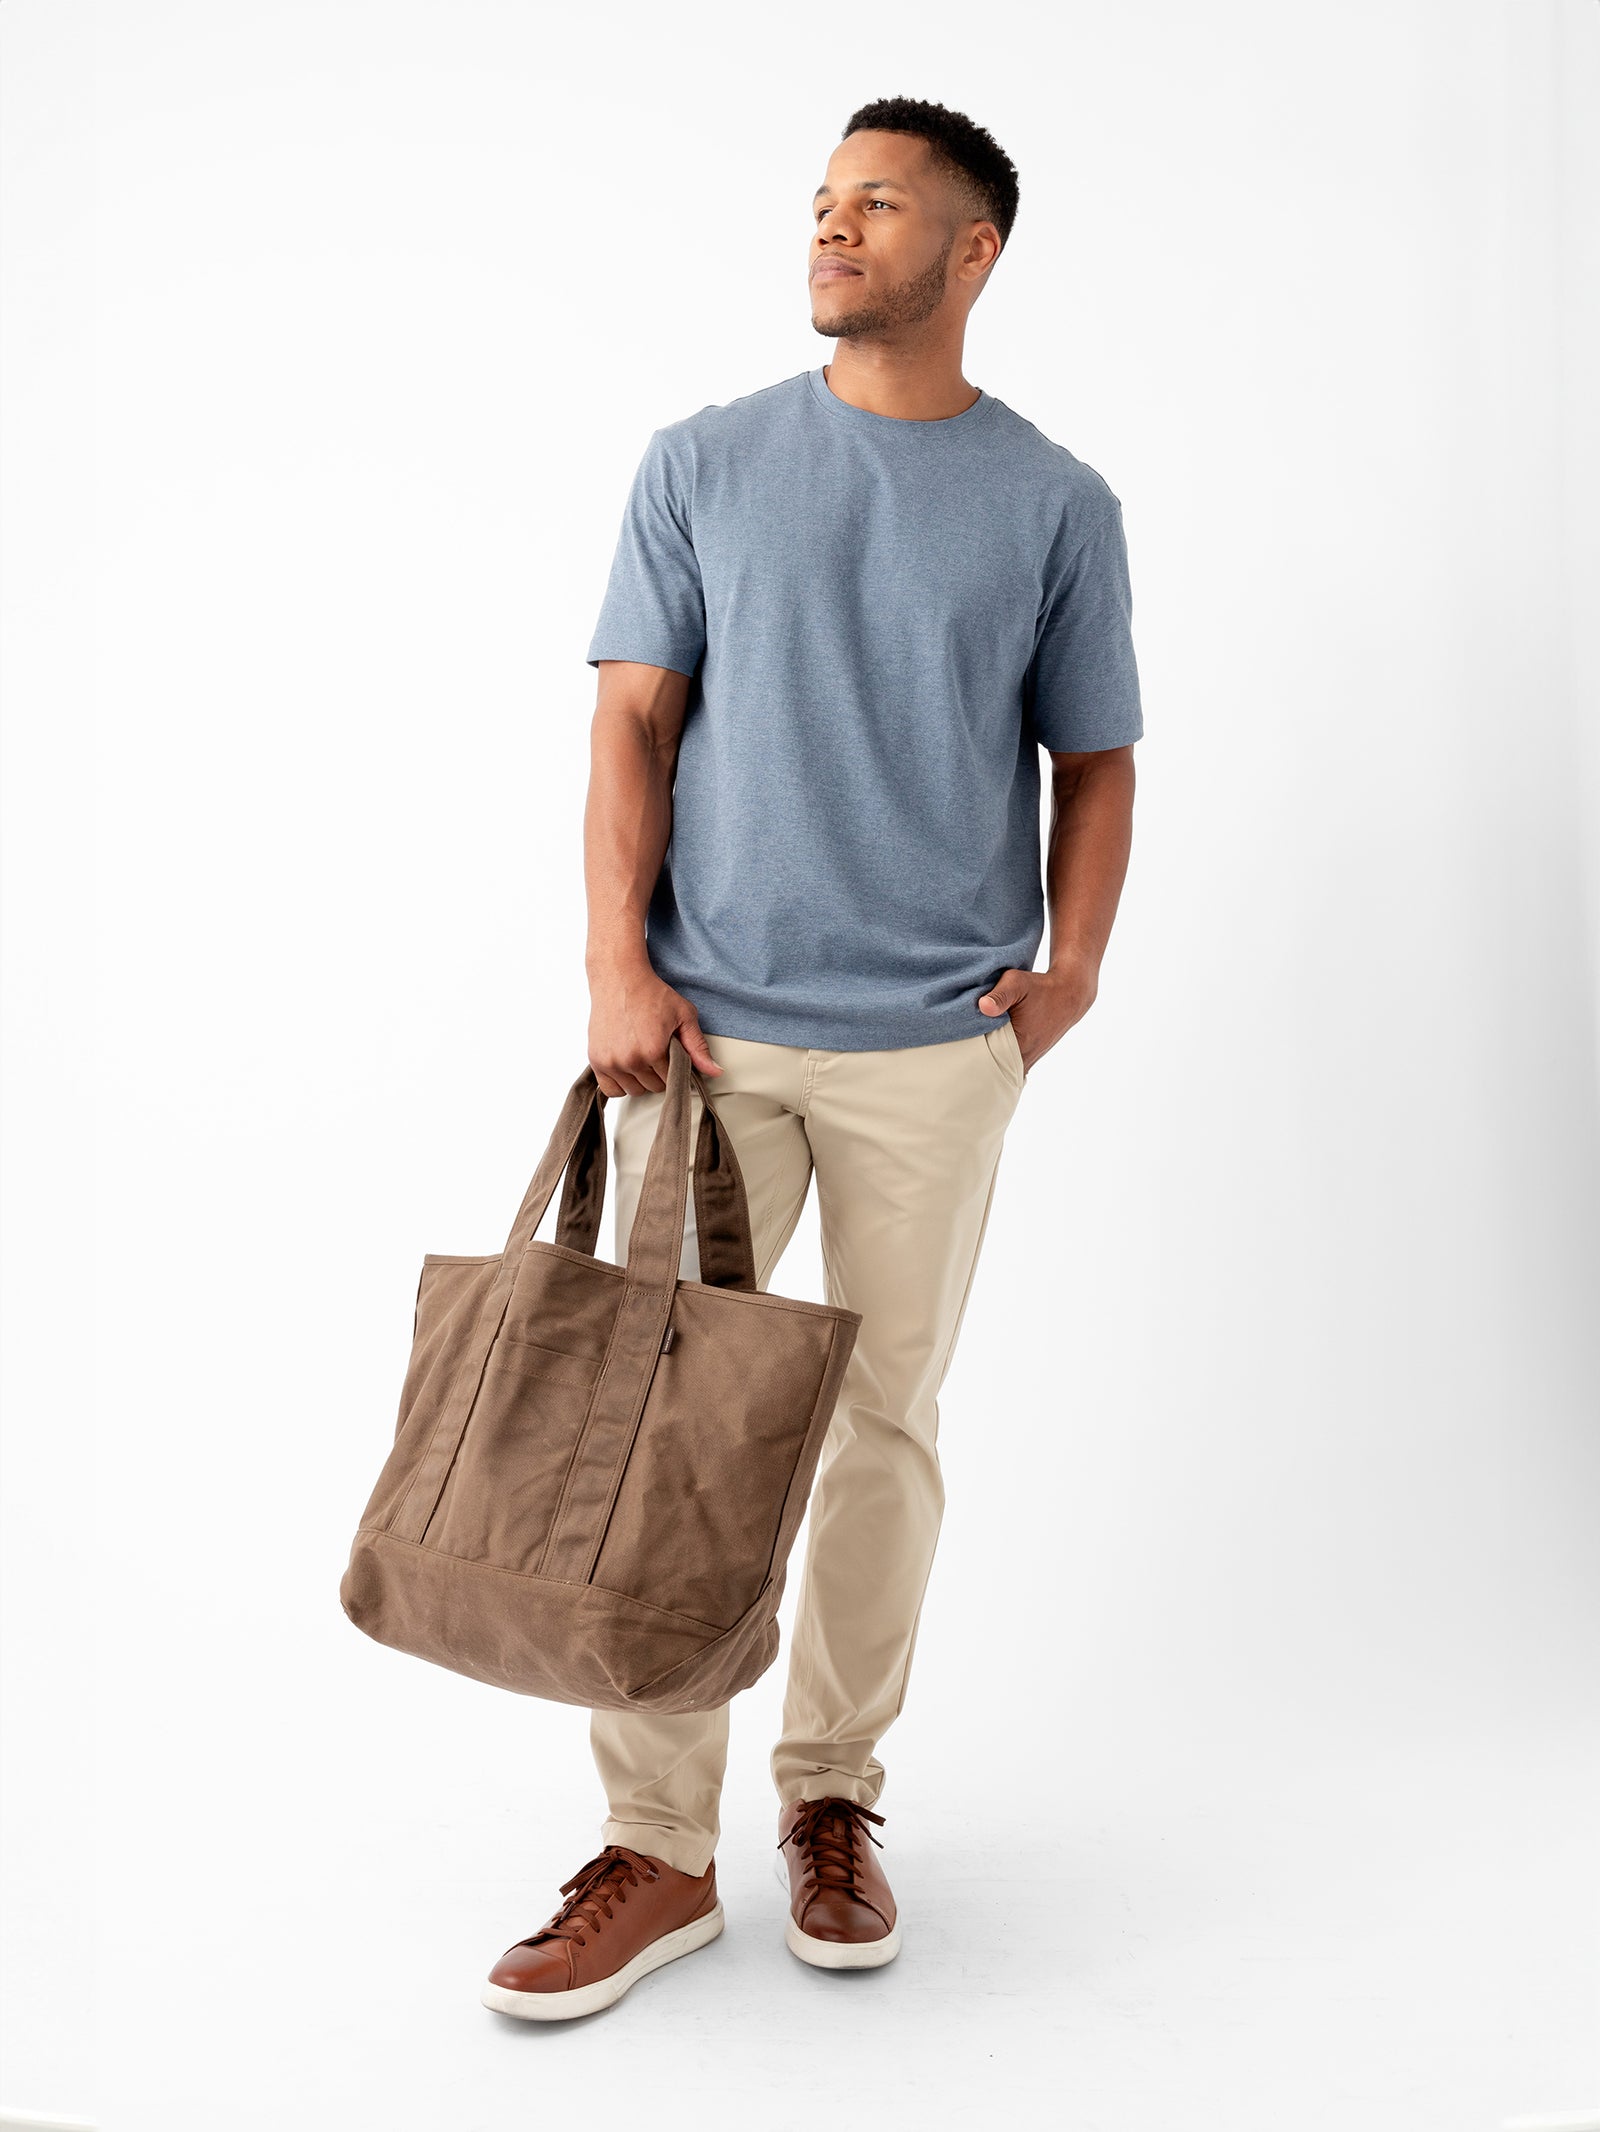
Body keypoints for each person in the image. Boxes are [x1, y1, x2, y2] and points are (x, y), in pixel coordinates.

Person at [481, 94, 1143, 2022]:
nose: (838, 230)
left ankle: (832, 1800)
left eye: (883, 207)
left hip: (939, 1051)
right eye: (825, 202)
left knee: (886, 1429)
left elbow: (1095, 758)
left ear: (974, 257)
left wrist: (1072, 965)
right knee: (667, 1432)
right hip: (705, 1036)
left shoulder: (1054, 504)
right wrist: (615, 964)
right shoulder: (702, 463)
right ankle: (657, 1847)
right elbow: (629, 725)